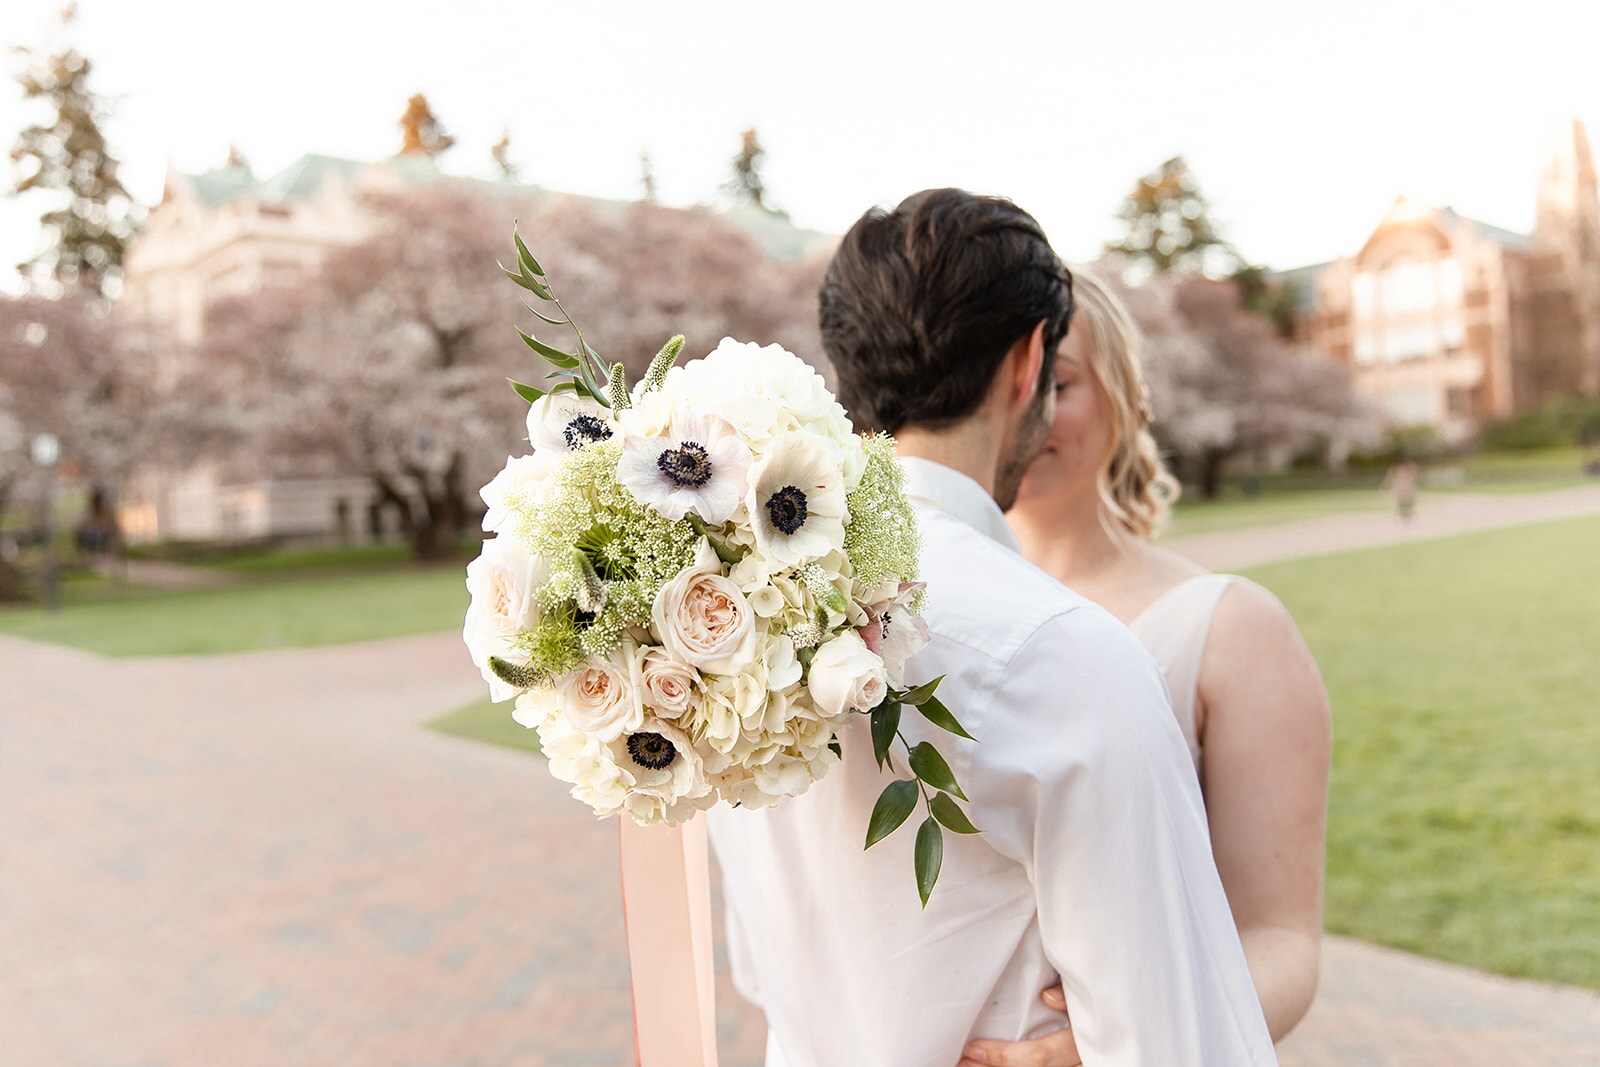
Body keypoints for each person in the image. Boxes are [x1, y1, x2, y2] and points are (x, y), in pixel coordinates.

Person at [706, 190, 1278, 1066]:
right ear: (1029, 361)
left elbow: (759, 966)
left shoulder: (729, 632)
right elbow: (1178, 1042)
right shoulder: (1062, 651)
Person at [965, 269, 1331, 1067]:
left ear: (1128, 395)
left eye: (1055, 384)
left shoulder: (1233, 627)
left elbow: (1283, 939)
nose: (1023, 412)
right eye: (1001, 387)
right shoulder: (914, 615)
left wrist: (1108, 1044)